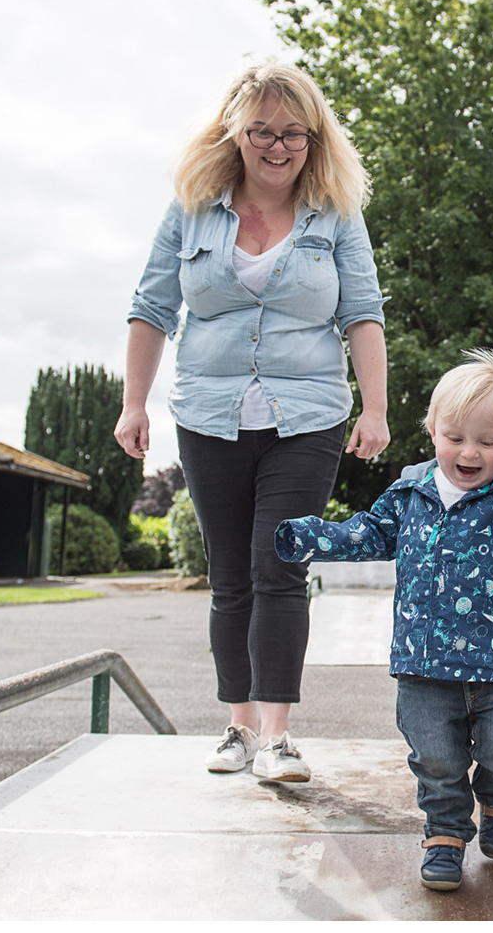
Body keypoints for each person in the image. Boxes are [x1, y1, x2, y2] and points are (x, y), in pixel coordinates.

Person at [115, 61, 390, 783]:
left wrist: (377, 407)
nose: (277, 146)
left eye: (293, 133)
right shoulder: (193, 207)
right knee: (230, 576)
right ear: (234, 132)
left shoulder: (334, 213)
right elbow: (151, 307)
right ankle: (235, 726)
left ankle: (276, 737)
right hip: (209, 413)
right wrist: (133, 402)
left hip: (308, 416)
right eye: (262, 131)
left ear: (314, 136)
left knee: (281, 568)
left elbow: (362, 312)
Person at [273, 351, 493, 891]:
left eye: (488, 442)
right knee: (435, 757)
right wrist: (313, 539)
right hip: (423, 664)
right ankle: (444, 832)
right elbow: (367, 533)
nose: (469, 452)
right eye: (455, 437)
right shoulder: (411, 492)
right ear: (432, 430)